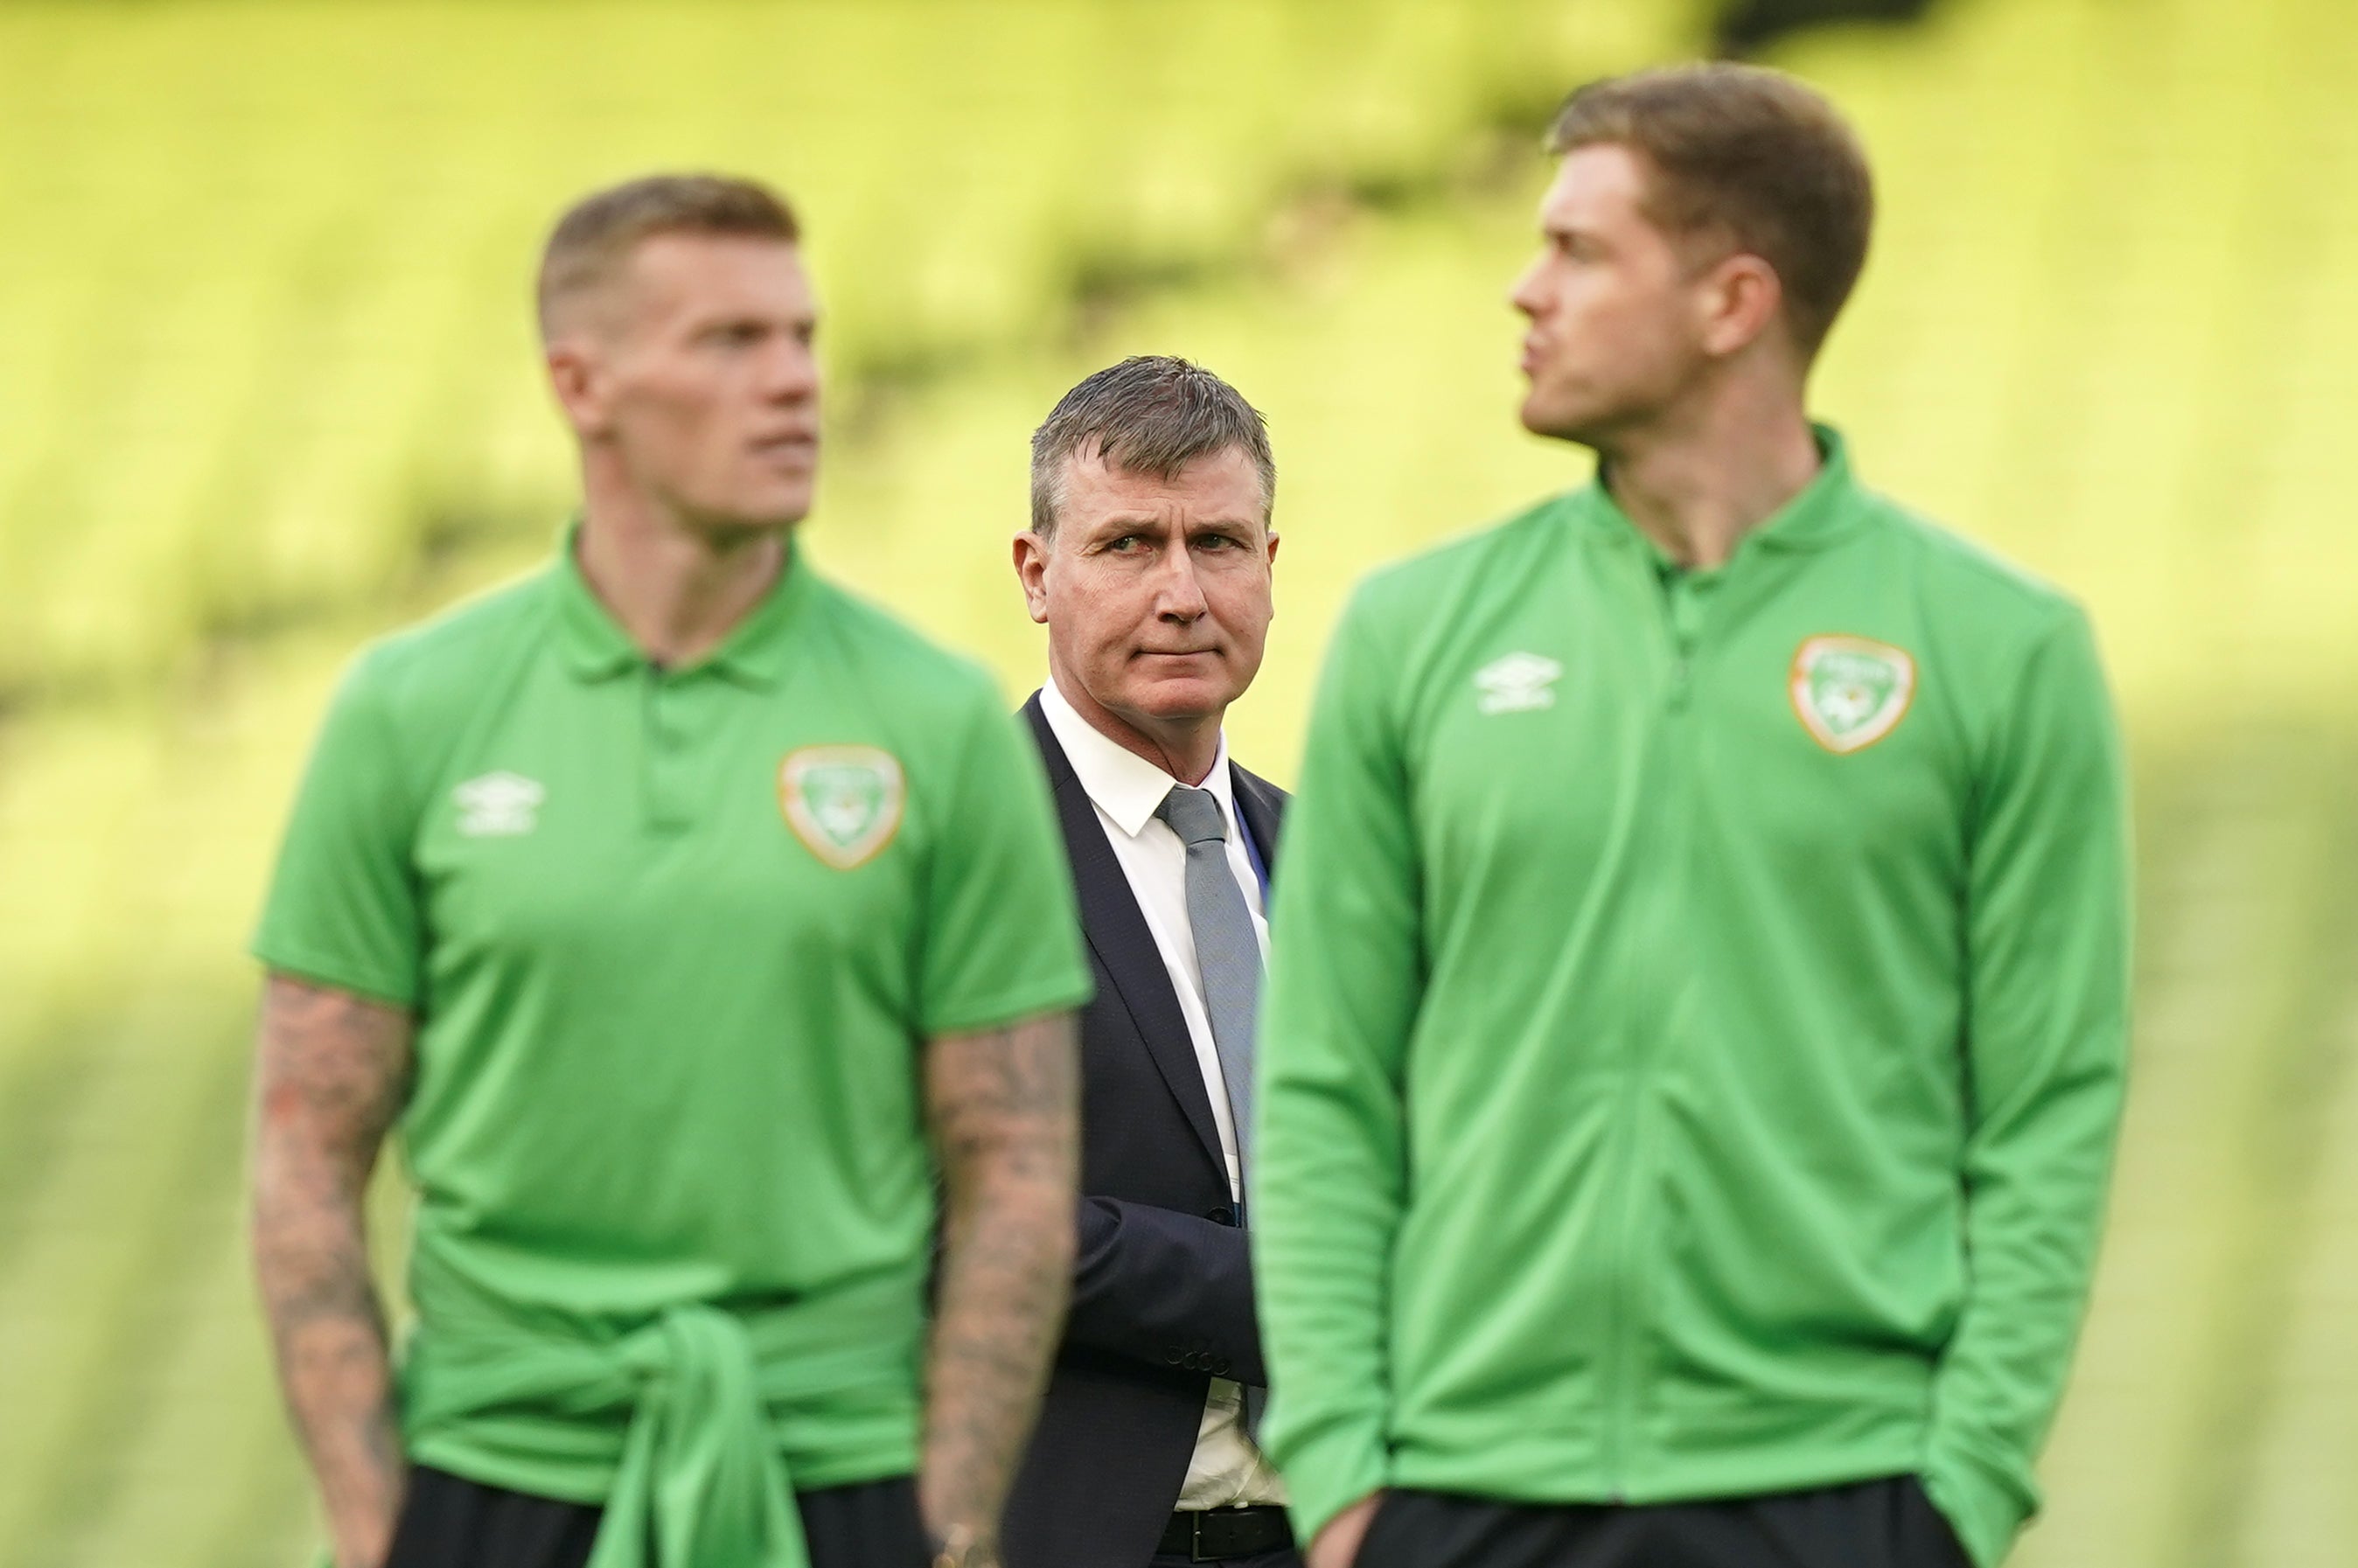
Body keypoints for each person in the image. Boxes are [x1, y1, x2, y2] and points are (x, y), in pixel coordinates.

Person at [1253, 64, 2131, 1568]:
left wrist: (1963, 1487)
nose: (1525, 292)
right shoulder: (1415, 631)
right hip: (1463, 1494)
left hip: (1845, 1493)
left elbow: (2049, 1104)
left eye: (1581, 252)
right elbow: (1327, 1083)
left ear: (1733, 302)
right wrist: (1339, 1471)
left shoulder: (2002, 649)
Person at [248, 174, 1092, 1568]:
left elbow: (1013, 1160)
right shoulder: (406, 709)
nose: (793, 384)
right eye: (730, 342)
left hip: (841, 1478)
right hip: (492, 1475)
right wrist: (370, 1518)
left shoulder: (935, 717)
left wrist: (944, 1519)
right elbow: (301, 1152)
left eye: (804, 338)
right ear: (584, 383)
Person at [997, 357, 1300, 1568]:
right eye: (1129, 544)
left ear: (1271, 567)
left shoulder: (1336, 861)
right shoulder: (943, 861)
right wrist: (1300, 1294)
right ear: (1036, 573)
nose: (1182, 591)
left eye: (1219, 542)